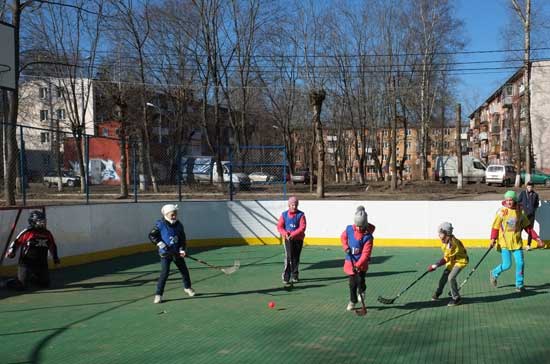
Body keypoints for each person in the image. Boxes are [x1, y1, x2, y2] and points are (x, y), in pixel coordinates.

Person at [489, 190, 544, 292]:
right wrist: (493, 239)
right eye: (507, 200)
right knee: (507, 265)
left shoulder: (520, 211)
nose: (509, 202)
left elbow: (528, 227)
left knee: (520, 263)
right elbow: (495, 227)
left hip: (517, 243)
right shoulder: (502, 212)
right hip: (504, 243)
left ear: (514, 200)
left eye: (511, 200)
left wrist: (537, 238)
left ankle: (519, 284)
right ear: (505, 200)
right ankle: (494, 273)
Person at [149, 204, 195, 304]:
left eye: (175, 214)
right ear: (166, 214)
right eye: (172, 214)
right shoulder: (160, 224)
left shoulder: (179, 224)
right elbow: (152, 236)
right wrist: (161, 245)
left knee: (184, 271)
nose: (174, 216)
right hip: (165, 254)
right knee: (164, 274)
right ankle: (158, 294)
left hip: (177, 253)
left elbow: (182, 238)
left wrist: (182, 249)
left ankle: (187, 288)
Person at [3, 210, 60, 290]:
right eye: (39, 221)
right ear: (33, 222)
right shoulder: (27, 232)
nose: (42, 223)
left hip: (41, 263)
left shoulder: (47, 233)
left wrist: (56, 259)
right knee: (21, 286)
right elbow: (16, 242)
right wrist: (11, 252)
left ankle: (30, 277)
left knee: (45, 284)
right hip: (26, 263)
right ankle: (8, 283)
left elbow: (53, 246)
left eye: (43, 221)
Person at [341, 206, 375, 311]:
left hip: (361, 263)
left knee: (360, 280)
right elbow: (343, 237)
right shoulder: (349, 229)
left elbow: (366, 254)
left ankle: (363, 290)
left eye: (361, 226)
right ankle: (353, 301)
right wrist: (346, 247)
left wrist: (358, 265)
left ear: (365, 224)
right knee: (352, 283)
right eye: (357, 225)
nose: (359, 228)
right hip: (350, 261)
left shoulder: (368, 237)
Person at [427, 222, 469, 307]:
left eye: (441, 234)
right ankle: (438, 292)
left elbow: (446, 259)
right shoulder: (446, 241)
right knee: (444, 277)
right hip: (452, 260)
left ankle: (456, 298)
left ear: (446, 233)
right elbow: (448, 258)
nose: (439, 236)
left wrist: (435, 265)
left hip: (460, 261)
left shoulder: (452, 244)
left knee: (451, 277)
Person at [277, 196, 307, 285]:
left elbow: (302, 227)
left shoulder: (301, 215)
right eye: (292, 205)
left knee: (296, 258)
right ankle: (286, 276)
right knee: (289, 257)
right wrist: (285, 233)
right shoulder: (284, 215)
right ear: (289, 205)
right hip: (288, 240)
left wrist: (293, 234)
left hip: (298, 239)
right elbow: (280, 226)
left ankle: (295, 274)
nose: (294, 207)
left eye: (296, 205)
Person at [518, 181, 540, 250]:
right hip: (523, 215)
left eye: (531, 187)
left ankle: (528, 245)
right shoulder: (523, 193)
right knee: (519, 229)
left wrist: (533, 209)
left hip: (531, 215)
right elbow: (518, 202)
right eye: (528, 187)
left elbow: (537, 204)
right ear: (526, 187)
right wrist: (521, 209)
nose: (529, 188)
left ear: (533, 187)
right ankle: (518, 244)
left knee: (530, 230)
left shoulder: (535, 194)